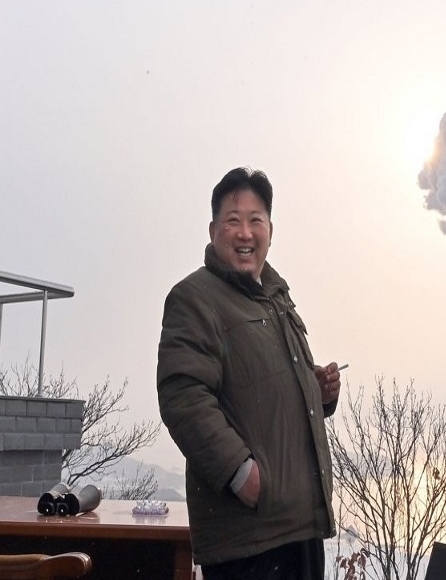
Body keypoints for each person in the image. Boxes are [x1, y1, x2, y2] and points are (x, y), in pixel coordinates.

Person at [156, 167, 341, 580]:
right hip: (249, 542)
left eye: (255, 220)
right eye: (233, 220)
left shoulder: (275, 298)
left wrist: (318, 390)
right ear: (213, 230)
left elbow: (262, 383)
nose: (244, 232)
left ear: (270, 231)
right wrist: (243, 476)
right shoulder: (195, 298)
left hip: (299, 530)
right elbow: (183, 396)